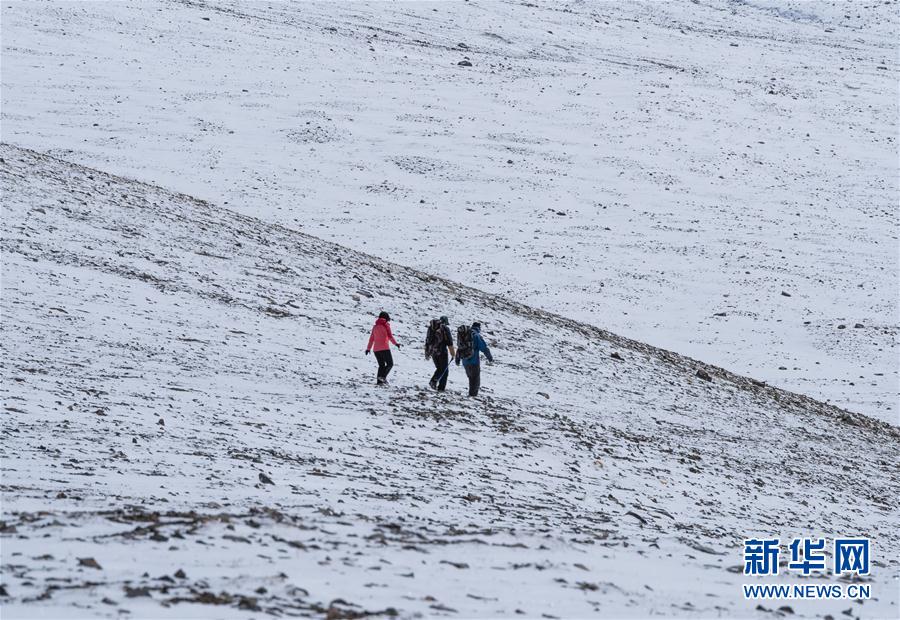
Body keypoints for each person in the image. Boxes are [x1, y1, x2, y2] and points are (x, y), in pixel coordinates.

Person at [455, 321, 493, 397]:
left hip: (465, 361)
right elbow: (484, 348)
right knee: (475, 380)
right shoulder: (476, 336)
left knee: (470, 378)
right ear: (479, 328)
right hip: (474, 361)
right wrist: (490, 358)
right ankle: (473, 396)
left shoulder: (464, 334)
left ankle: (471, 394)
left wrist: (457, 359)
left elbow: (459, 347)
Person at [365, 311, 400, 385]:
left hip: (376, 350)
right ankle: (383, 377)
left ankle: (379, 382)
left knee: (381, 366)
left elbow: (371, 339)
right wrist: (396, 343)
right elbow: (390, 336)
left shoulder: (375, 327)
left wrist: (368, 349)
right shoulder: (386, 325)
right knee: (390, 364)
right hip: (384, 348)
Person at [425, 316, 456, 391]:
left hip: (433, 352)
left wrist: (427, 352)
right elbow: (450, 342)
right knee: (444, 370)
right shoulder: (445, 329)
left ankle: (437, 385)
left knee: (440, 369)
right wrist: (453, 354)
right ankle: (436, 384)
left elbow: (427, 341)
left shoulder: (431, 328)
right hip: (442, 352)